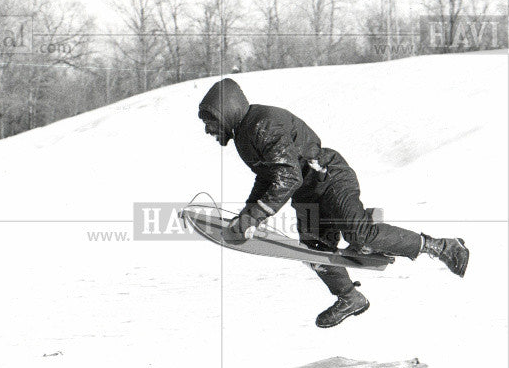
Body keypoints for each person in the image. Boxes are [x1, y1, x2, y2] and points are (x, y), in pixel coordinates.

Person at [198, 77, 469, 328]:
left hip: (329, 179)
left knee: (359, 231)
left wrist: (254, 217)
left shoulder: (262, 124)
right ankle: (350, 298)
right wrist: (247, 214)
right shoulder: (245, 134)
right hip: (307, 192)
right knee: (313, 250)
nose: (208, 130)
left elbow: (287, 176)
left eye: (211, 122)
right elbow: (268, 178)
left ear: (227, 111)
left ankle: (442, 246)